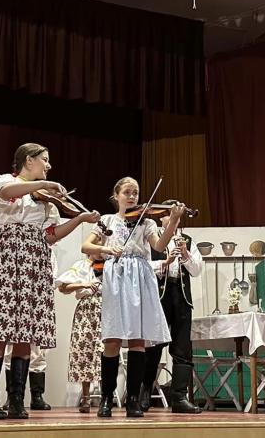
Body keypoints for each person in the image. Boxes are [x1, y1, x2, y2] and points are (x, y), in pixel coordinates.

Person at [0, 143, 100, 420]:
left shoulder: (46, 201)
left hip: (36, 257)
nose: (49, 165)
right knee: (0, 326)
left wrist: (80, 218)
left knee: (27, 331)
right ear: (29, 160)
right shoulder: (7, 181)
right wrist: (43, 184)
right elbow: (5, 193)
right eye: (44, 160)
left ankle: (16, 400)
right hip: (9, 253)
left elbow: (51, 235)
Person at [82, 177, 182, 418]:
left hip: (140, 276)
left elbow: (160, 245)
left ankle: (133, 400)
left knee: (138, 340)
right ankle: (107, 398)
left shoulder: (146, 221)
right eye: (127, 192)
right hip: (116, 275)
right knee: (112, 339)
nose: (132, 197)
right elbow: (86, 246)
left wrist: (173, 221)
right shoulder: (107, 220)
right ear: (116, 195)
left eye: (135, 193)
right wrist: (106, 249)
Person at [141, 211, 203, 414]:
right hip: (159, 297)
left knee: (183, 348)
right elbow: (143, 267)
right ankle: (144, 393)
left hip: (182, 297)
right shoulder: (153, 238)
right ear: (161, 219)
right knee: (153, 347)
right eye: (169, 215)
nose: (174, 219)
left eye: (177, 216)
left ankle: (179, 397)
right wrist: (165, 263)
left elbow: (196, 270)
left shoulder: (188, 240)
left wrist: (185, 255)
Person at [56, 257, 104, 413]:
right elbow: (63, 287)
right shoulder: (81, 265)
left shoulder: (110, 264)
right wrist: (84, 284)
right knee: (84, 351)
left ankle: (106, 396)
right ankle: (86, 397)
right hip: (86, 309)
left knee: (105, 352)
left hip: (106, 307)